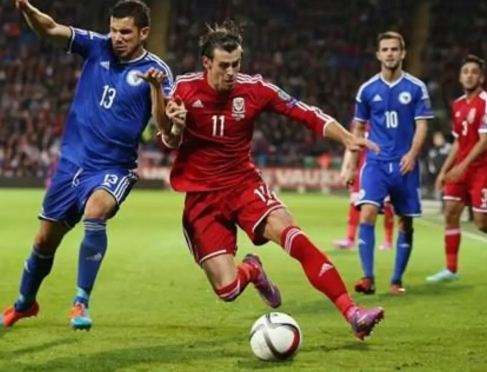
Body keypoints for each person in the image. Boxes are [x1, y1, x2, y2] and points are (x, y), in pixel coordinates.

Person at [157, 21, 384, 341]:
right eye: (224, 65)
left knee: (293, 236)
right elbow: (166, 141)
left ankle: (352, 312)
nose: (231, 72)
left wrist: (346, 138)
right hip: (202, 196)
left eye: (236, 64)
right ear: (206, 62)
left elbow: (306, 113)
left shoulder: (256, 89)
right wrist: (174, 128)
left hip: (243, 184)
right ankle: (252, 269)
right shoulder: (184, 88)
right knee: (227, 290)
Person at [0, 0, 173, 330]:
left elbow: (165, 129)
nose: (117, 38)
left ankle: (80, 301)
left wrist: (154, 90)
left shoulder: (156, 70)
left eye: (125, 32)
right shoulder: (96, 45)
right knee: (44, 241)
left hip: (113, 167)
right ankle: (24, 303)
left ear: (144, 33)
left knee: (96, 211)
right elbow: (50, 29)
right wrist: (27, 8)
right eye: (114, 30)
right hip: (72, 165)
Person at [345, 31, 433, 295]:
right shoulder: (367, 90)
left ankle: (396, 280)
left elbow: (422, 126)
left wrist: (412, 154)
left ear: (402, 53)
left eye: (394, 49)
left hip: (405, 164)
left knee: (405, 222)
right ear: (378, 54)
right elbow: (358, 128)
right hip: (376, 163)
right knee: (367, 212)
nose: (390, 53)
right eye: (385, 49)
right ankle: (368, 278)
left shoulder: (416, 88)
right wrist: (351, 164)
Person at [427, 55, 487, 283]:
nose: (469, 75)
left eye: (474, 72)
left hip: (482, 170)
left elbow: (484, 141)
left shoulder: (485, 102)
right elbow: (459, 142)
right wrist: (444, 171)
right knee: (451, 212)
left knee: (481, 222)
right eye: (465, 72)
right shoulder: (458, 105)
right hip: (461, 170)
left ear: (481, 78)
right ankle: (451, 269)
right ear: (460, 78)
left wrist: (462, 166)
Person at [334, 123, 394, 251]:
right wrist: (346, 167)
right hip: (362, 167)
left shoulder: (383, 117)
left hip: (383, 165)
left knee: (386, 202)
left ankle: (388, 240)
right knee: (355, 200)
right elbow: (350, 144)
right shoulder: (358, 121)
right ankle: (350, 239)